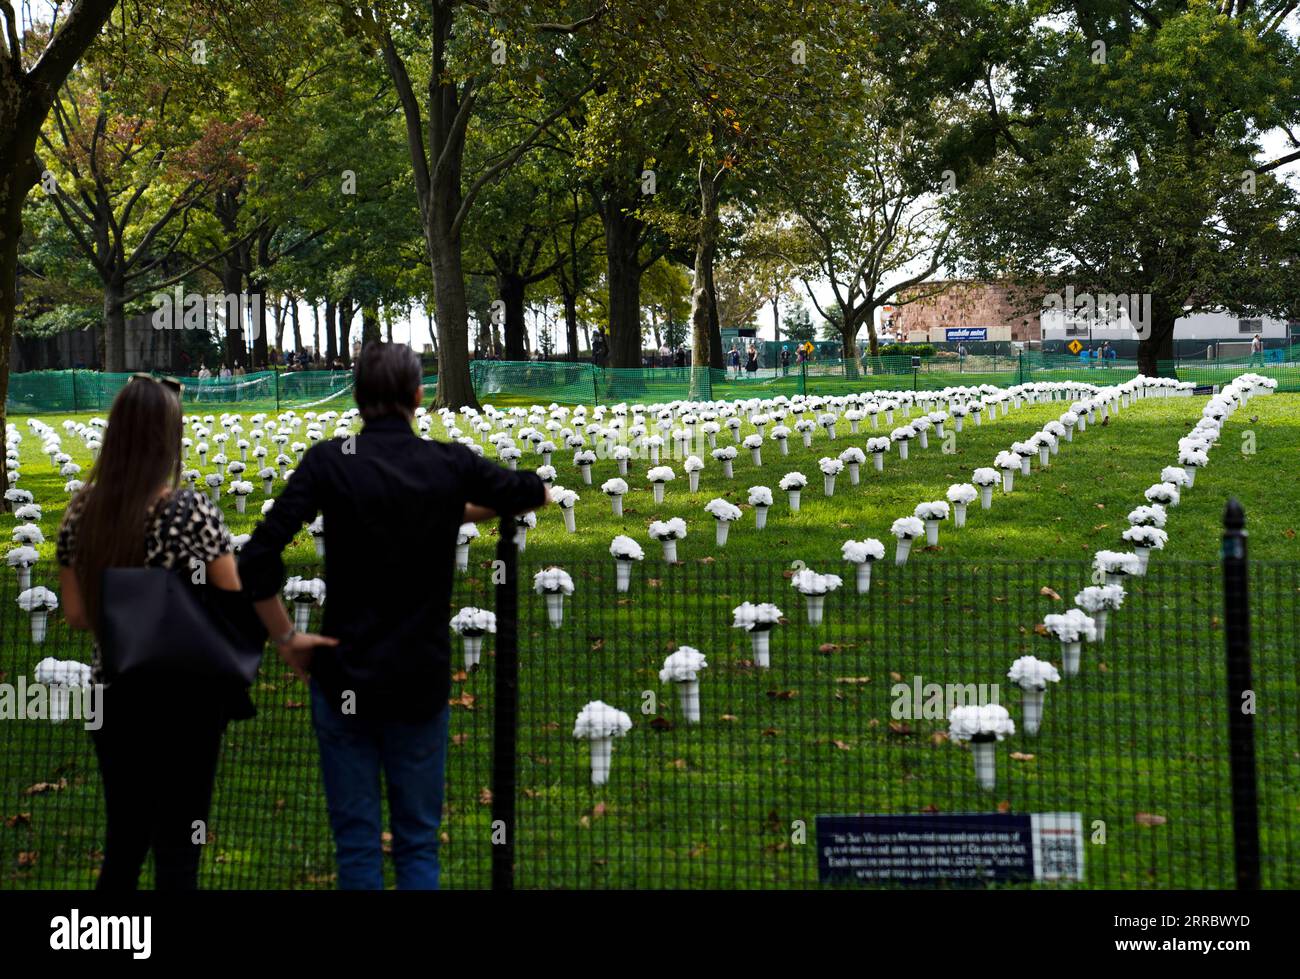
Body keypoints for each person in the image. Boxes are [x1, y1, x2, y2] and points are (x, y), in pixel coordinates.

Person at [238, 342, 549, 890]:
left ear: (357, 397)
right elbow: (528, 491)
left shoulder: (330, 462)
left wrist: (285, 637)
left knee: (357, 842)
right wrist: (445, 504)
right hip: (418, 679)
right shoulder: (444, 464)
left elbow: (258, 556)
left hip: (343, 675)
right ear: (417, 394)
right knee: (416, 842)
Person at [56, 375, 332, 890]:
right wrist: (285, 637)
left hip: (113, 691)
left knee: (123, 842)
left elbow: (74, 614)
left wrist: (125, 603)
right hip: (187, 695)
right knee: (179, 848)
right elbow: (234, 596)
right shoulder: (190, 512)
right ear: (169, 437)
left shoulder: (81, 511)